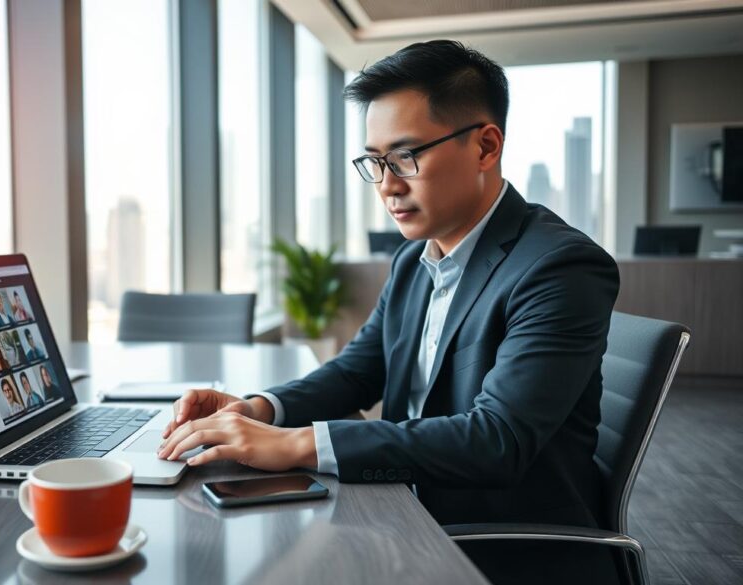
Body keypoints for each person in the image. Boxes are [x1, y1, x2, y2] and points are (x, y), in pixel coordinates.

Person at [157, 40, 620, 585]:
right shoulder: (412, 260)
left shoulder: (559, 266)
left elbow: (497, 440)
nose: (387, 186)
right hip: (399, 511)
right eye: (375, 162)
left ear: (485, 146)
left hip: (494, 547)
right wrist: (261, 409)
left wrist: (295, 445)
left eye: (405, 157)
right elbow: (358, 371)